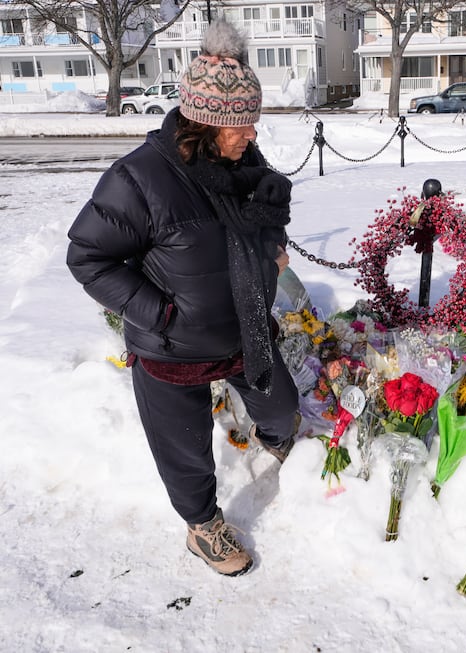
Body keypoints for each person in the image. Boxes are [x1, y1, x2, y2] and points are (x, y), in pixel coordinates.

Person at [66, 19, 300, 577]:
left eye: (253, 123)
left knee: (283, 410)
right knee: (185, 451)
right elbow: (87, 258)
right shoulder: (140, 178)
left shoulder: (243, 165)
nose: (252, 135)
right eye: (241, 125)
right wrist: (161, 316)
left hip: (243, 329)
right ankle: (202, 527)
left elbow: (250, 227)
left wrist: (272, 254)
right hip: (173, 349)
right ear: (206, 122)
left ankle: (270, 441)